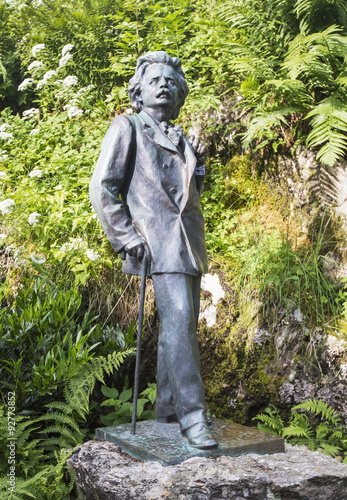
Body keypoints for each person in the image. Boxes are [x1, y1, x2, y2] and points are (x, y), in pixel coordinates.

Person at [90, 51, 218, 449]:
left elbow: (189, 197)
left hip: (188, 245)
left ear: (179, 94)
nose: (164, 85)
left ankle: (168, 407)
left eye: (171, 81)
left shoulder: (182, 138)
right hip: (154, 241)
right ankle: (193, 418)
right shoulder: (127, 126)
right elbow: (103, 187)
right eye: (154, 80)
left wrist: (197, 167)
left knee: (180, 327)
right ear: (139, 91)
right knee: (179, 322)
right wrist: (125, 236)